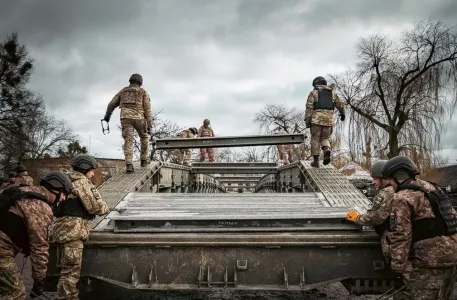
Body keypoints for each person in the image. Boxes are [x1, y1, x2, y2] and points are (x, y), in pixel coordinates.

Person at [382, 155, 457, 300]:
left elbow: (401, 235)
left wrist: (397, 269)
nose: (390, 184)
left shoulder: (402, 197)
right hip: (452, 255)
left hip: (428, 260)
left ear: (398, 177)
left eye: (390, 179)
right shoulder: (433, 189)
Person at [0, 171, 73, 300]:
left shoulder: (21, 191)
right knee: (15, 293)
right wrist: (39, 280)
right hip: (2, 252)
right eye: (63, 195)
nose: (63, 199)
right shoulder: (41, 207)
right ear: (55, 189)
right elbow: (39, 248)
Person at [51, 154, 110, 300]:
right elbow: (94, 207)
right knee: (70, 273)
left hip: (64, 230)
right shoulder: (81, 182)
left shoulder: (69, 180)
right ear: (84, 168)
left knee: (67, 271)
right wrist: (104, 207)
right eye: (91, 170)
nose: (92, 173)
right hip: (73, 232)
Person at [103, 73, 153, 173]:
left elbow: (111, 104)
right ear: (140, 82)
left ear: (130, 81)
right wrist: (149, 124)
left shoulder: (123, 91)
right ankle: (143, 160)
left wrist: (107, 116)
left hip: (125, 118)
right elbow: (147, 109)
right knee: (144, 137)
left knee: (128, 140)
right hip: (139, 118)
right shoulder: (142, 92)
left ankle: (129, 164)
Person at [304, 76, 345, 168]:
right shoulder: (333, 93)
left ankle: (316, 161)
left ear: (316, 84)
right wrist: (343, 114)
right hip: (329, 121)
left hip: (316, 121)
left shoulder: (313, 93)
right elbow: (340, 105)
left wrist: (307, 121)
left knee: (315, 139)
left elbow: (309, 108)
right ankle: (326, 149)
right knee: (325, 138)